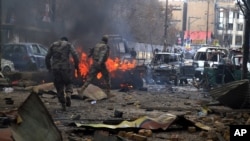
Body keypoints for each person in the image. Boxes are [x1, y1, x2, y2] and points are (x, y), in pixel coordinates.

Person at [45, 37, 80, 111]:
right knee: (69, 82)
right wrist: (76, 65)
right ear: (66, 40)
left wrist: (49, 67)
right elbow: (75, 55)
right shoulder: (68, 44)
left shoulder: (53, 45)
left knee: (59, 86)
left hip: (56, 69)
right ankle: (68, 94)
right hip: (65, 68)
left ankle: (63, 104)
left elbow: (47, 57)